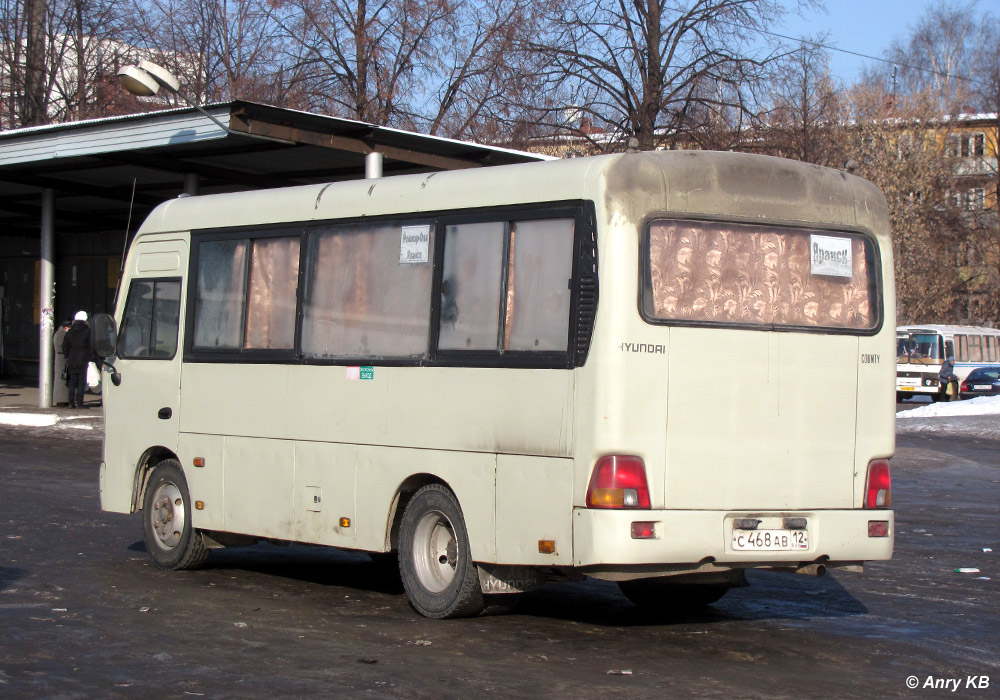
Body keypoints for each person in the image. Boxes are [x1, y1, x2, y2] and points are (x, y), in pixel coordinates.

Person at [62, 310, 94, 408]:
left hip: (72, 358)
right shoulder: (88, 331)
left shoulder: (70, 332)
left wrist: (69, 355)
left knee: (72, 381)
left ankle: (71, 403)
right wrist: (91, 357)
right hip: (83, 358)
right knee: (81, 382)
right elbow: (91, 346)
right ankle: (80, 403)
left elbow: (64, 346)